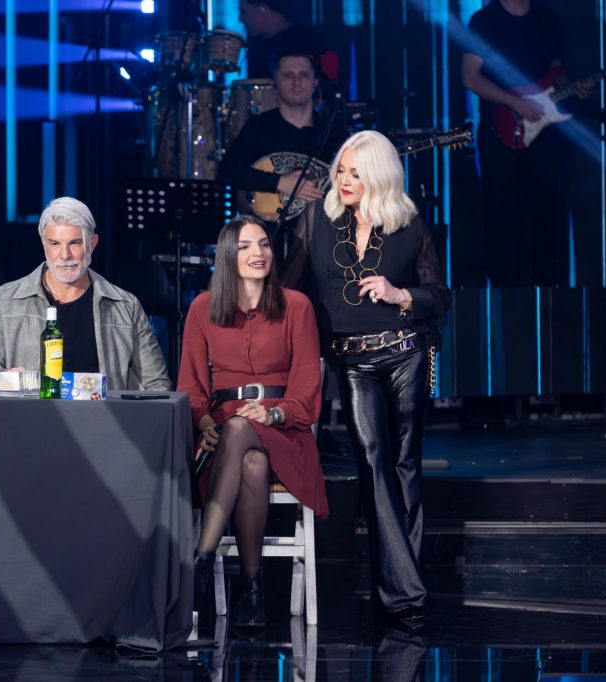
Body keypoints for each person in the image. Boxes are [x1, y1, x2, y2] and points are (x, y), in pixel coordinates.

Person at [282, 131, 450, 623]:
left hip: (405, 353)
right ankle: (406, 591)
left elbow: (440, 295)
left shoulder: (409, 223)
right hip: (352, 361)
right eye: (341, 169)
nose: (345, 179)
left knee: (404, 464)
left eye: (356, 172)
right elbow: (288, 288)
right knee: (373, 459)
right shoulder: (317, 219)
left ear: (378, 174)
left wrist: (402, 295)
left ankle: (400, 588)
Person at [177, 215, 326, 627]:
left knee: (244, 429)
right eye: (245, 246)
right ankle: (251, 586)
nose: (258, 253)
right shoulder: (202, 308)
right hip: (224, 435)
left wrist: (274, 413)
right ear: (228, 255)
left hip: (284, 430)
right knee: (252, 462)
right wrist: (204, 422)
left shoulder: (296, 306)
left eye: (263, 244)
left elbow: (307, 388)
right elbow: (191, 385)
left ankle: (202, 555)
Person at [0, 197, 170, 391]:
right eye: (55, 243)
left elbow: (157, 384)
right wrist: (5, 378)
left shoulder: (126, 306)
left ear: (92, 243)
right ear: (43, 243)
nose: (65, 255)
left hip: (103, 412)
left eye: (74, 243)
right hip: (30, 411)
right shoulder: (4, 300)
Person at [461, 0, 589, 286]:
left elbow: (556, 71)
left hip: (544, 132)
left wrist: (572, 87)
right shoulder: (484, 21)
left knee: (547, 214)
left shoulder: (547, 18)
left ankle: (548, 292)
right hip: (499, 130)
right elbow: (470, 78)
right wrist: (514, 102)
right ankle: (503, 294)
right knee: (501, 214)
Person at [218, 49, 348, 232]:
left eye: (304, 75)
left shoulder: (334, 134)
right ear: (274, 84)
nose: (297, 82)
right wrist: (281, 183)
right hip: (268, 234)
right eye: (288, 75)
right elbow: (228, 172)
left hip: (322, 235)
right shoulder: (258, 128)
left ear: (315, 83)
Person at [238, 0, 335, 82]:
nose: (240, 19)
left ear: (262, 9)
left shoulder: (308, 40)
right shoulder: (255, 46)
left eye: (244, 12)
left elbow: (328, 82)